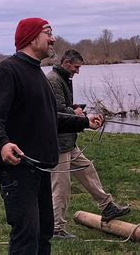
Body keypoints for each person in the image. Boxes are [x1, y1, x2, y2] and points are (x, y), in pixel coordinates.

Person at [0, 18, 104, 254]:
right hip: (17, 168)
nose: (54, 38)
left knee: (43, 233)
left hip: (40, 168)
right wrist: (3, 143)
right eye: (48, 32)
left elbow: (51, 118)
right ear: (31, 37)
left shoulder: (38, 74)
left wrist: (84, 121)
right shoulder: (7, 71)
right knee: (26, 237)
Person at [47, 49, 130, 239]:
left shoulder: (64, 78)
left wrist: (76, 109)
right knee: (61, 188)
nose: (78, 71)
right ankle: (56, 229)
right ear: (67, 62)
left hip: (69, 141)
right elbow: (57, 112)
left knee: (87, 169)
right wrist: (79, 115)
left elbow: (64, 107)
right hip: (58, 144)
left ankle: (107, 207)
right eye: (76, 67)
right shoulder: (53, 80)